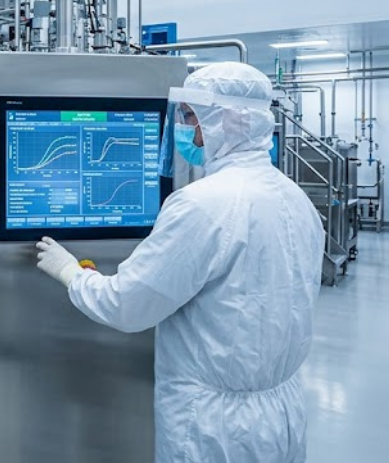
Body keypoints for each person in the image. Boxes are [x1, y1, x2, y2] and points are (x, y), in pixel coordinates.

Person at [34, 62, 324, 462]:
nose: (184, 129)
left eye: (190, 116)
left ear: (222, 121)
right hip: (282, 414)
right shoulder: (296, 198)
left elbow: (127, 306)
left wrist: (71, 274)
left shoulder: (202, 204)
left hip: (215, 428)